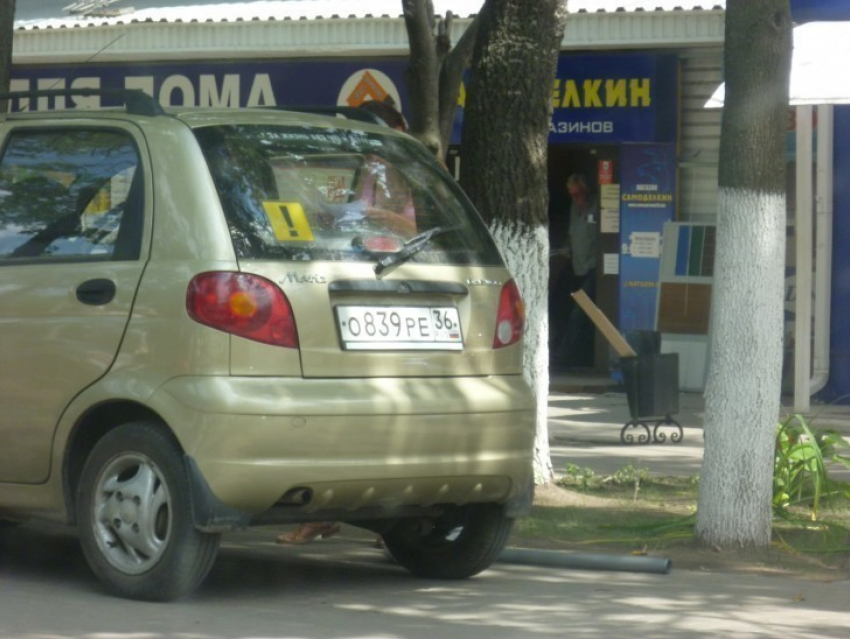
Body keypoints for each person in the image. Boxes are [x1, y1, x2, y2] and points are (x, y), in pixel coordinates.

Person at [551, 172, 599, 369]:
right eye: (572, 194)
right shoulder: (574, 207)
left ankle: (564, 357)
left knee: (579, 314)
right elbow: (573, 233)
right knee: (559, 305)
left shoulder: (597, 206)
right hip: (576, 265)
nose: (575, 198)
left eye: (578, 194)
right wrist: (565, 248)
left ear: (586, 191)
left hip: (594, 267)